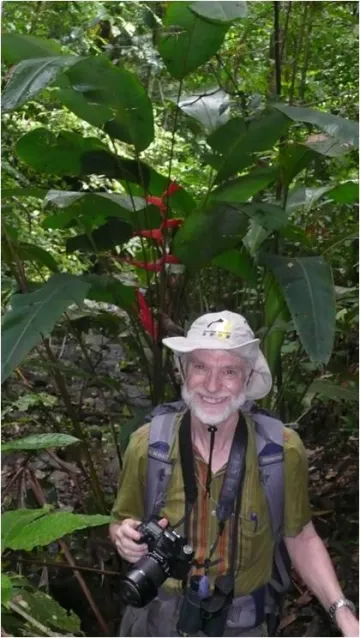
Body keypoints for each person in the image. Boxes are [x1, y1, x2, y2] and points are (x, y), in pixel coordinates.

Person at [110, 311, 359, 637]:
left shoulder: (281, 451)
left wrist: (343, 614)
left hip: (243, 622)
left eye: (229, 371)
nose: (212, 386)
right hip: (160, 617)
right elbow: (121, 519)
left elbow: (300, 536)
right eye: (200, 367)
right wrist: (122, 537)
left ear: (247, 377)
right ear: (183, 372)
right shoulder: (147, 445)